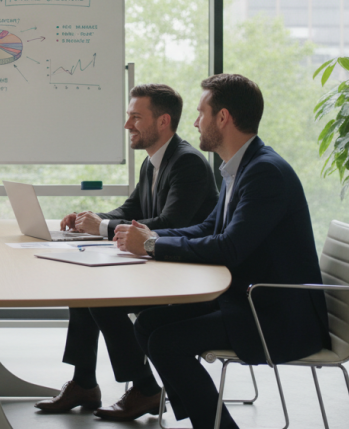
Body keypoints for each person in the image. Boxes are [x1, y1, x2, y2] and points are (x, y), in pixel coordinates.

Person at [115, 74, 330, 429]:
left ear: (223, 118)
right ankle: (208, 420)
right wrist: (151, 237)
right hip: (247, 300)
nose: (196, 121)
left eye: (201, 112)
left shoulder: (264, 173)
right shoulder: (241, 167)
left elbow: (229, 247)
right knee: (150, 324)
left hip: (274, 314)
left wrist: (152, 245)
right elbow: (208, 229)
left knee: (166, 342)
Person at [37, 84, 218, 421]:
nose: (127, 125)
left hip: (186, 277)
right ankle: (84, 383)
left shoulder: (188, 163)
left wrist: (103, 229)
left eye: (136, 117)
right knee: (83, 285)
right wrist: (88, 220)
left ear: (163, 121)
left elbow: (169, 222)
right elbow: (130, 209)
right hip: (158, 267)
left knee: (102, 300)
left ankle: (147, 389)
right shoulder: (153, 162)